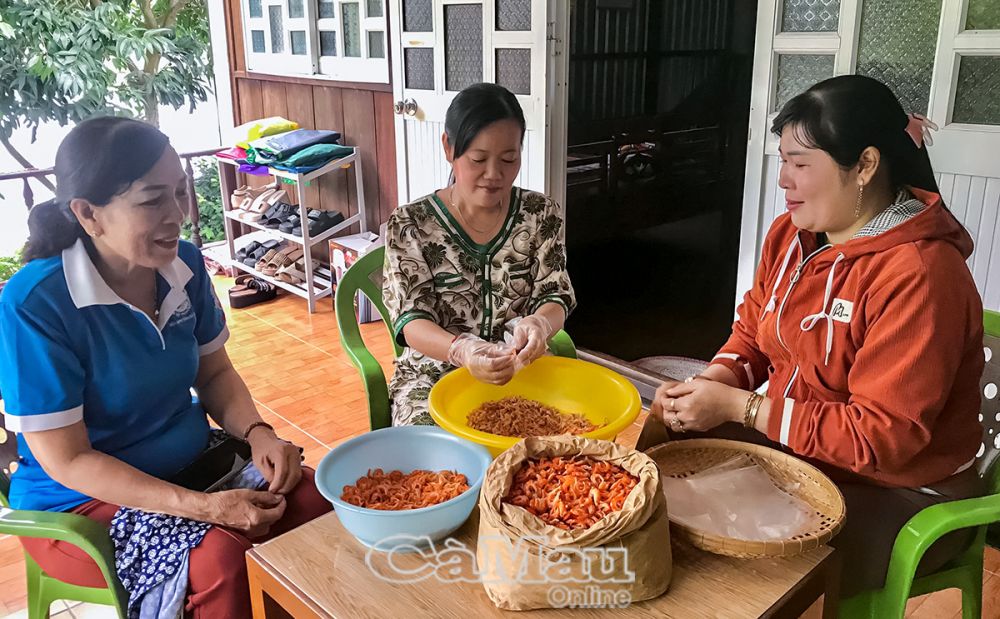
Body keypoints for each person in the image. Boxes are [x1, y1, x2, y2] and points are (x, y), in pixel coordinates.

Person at [648, 75, 985, 596]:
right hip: (807, 453)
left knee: (737, 563)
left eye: (801, 164)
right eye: (782, 160)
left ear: (866, 165)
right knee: (654, 467)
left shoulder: (921, 273)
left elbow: (881, 440)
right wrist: (714, 379)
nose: (784, 180)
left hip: (898, 488)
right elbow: (754, 333)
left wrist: (743, 409)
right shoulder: (791, 236)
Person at [0, 117, 331, 617]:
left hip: (191, 464)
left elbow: (215, 374)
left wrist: (261, 435)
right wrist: (206, 508)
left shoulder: (185, 267)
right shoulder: (39, 303)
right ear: (89, 213)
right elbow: (68, 460)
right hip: (81, 503)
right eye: (152, 200)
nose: (177, 213)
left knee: (311, 500)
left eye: (179, 192)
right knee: (221, 555)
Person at [383, 83, 576, 426]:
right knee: (438, 463)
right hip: (434, 375)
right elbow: (412, 322)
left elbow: (555, 295)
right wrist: (462, 349)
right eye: (478, 159)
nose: (494, 174)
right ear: (449, 147)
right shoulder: (411, 224)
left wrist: (540, 322)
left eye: (508, 159)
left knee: (564, 447)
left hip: (522, 372)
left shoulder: (540, 214)